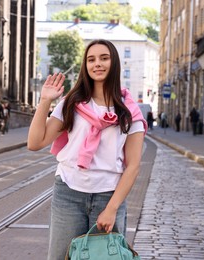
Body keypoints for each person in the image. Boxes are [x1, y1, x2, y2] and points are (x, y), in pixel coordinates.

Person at [27, 39, 147, 260]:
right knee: (60, 257)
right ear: (85, 66)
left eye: (104, 58)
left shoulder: (129, 111)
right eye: (91, 60)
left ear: (114, 63)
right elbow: (35, 142)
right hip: (69, 194)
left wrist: (111, 209)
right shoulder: (72, 103)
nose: (97, 64)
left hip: (108, 196)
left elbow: (133, 166)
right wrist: (45, 101)